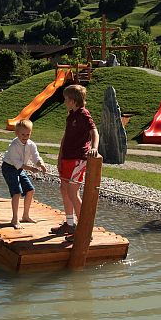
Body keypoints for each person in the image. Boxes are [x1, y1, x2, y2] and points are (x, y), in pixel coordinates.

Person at [51, 84, 99, 237]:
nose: (64, 102)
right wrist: (59, 157)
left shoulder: (84, 114)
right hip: (67, 157)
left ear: (72, 100)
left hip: (78, 159)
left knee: (72, 192)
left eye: (66, 99)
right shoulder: (70, 115)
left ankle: (84, 230)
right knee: (64, 190)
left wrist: (94, 147)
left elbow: (94, 132)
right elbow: (65, 138)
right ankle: (70, 224)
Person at [2, 119, 47, 229]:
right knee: (17, 193)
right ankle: (14, 219)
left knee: (30, 190)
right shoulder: (14, 145)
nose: (25, 137)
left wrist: (41, 164)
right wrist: (31, 168)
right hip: (9, 168)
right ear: (17, 133)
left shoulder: (31, 144)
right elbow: (17, 163)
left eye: (28, 134)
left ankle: (25, 215)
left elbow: (35, 156)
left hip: (20, 169)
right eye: (23, 134)